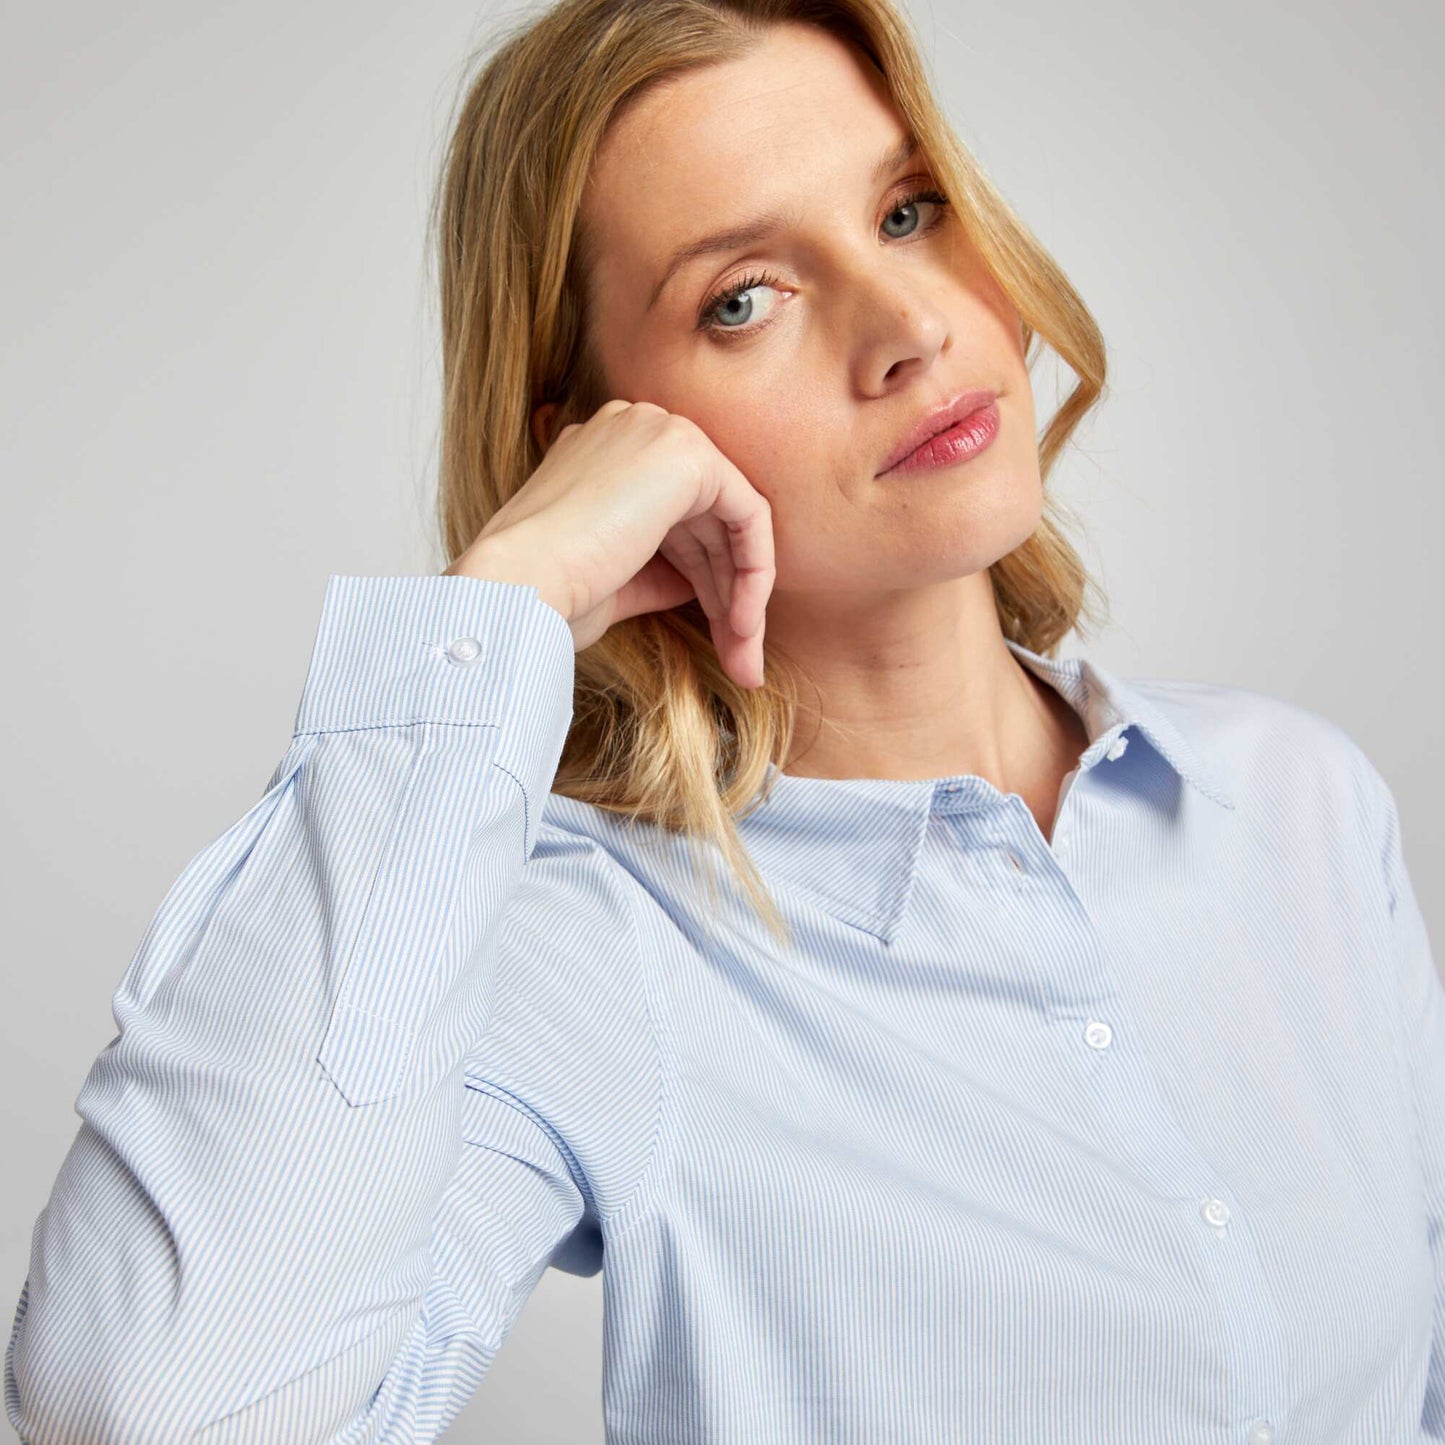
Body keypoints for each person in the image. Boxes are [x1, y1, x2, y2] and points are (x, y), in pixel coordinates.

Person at [7, 0, 1441, 1441]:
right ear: (590, 437)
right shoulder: (580, 946)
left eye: (907, 208)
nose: (910, 328)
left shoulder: (1298, 803)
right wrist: (504, 598)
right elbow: (156, 1410)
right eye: (745, 295)